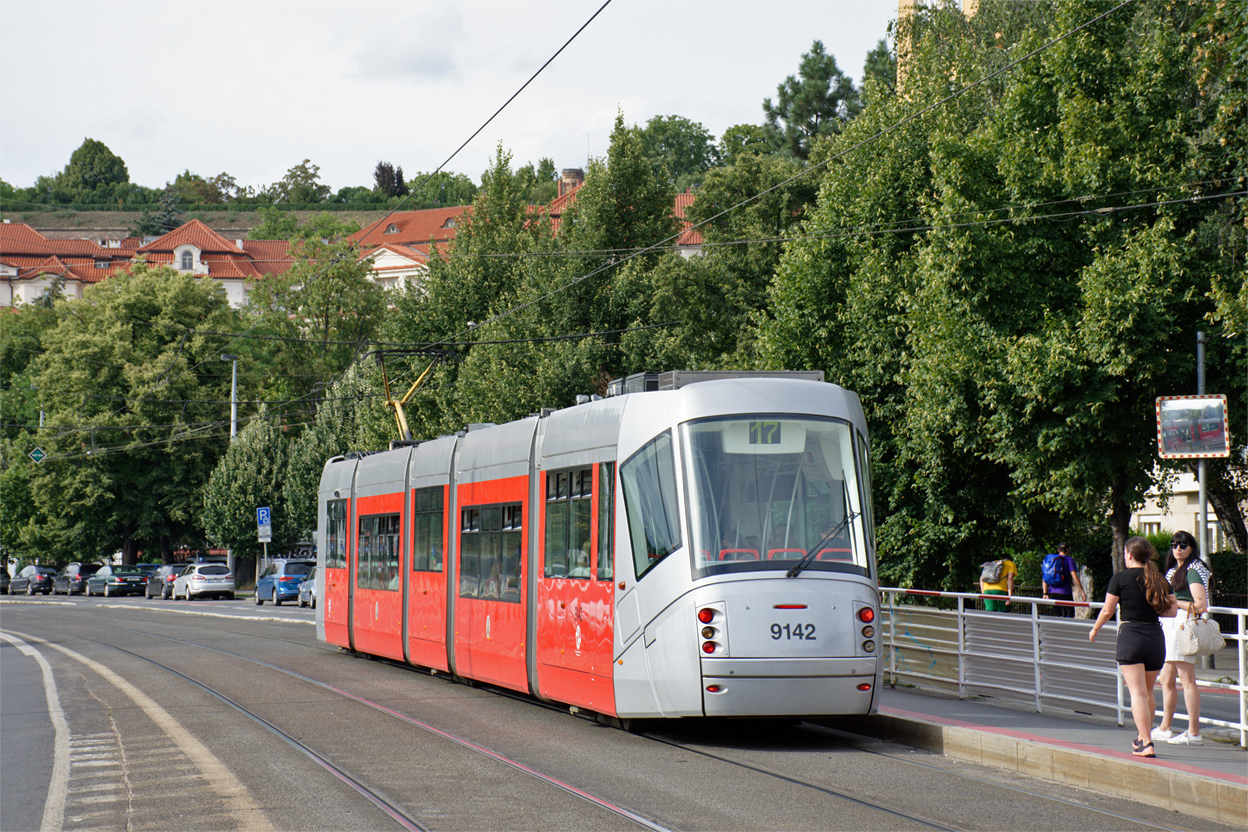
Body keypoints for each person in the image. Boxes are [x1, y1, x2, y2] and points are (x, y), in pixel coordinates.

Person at [1089, 537, 1177, 757]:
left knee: (1136, 693)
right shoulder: (1159, 579)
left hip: (1131, 636)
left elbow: (1108, 610)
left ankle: (1146, 742)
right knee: (1148, 692)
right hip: (1155, 638)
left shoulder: (1120, 578)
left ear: (1128, 554)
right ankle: (1142, 737)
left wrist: (1095, 629)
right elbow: (1172, 611)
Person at [1152, 530, 1213, 746]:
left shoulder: (1194, 569)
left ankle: (1194, 732)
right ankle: (1165, 727)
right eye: (1174, 544)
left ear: (1191, 548)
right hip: (1171, 624)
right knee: (1166, 679)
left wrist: (1175, 602)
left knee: (1187, 680)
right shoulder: (1174, 570)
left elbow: (1200, 605)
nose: (1178, 548)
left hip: (1182, 625)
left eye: (1183, 545)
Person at [1042, 542, 1087, 618]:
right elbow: (1074, 577)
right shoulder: (1069, 560)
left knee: (1058, 616)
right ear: (1068, 550)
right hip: (1065, 592)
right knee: (1069, 616)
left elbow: (1045, 577)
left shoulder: (1052, 561)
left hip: (1053, 593)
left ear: (1058, 550)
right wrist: (1082, 590)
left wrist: (1045, 593)